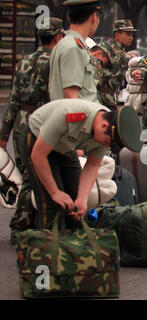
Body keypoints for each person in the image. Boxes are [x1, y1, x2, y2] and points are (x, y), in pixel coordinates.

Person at [19, 99, 142, 230]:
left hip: (66, 147)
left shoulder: (107, 133)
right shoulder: (68, 116)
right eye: (108, 143)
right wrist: (55, 192)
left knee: (77, 208)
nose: (107, 146)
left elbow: (93, 166)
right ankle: (51, 247)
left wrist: (83, 199)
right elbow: (38, 155)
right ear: (104, 126)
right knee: (53, 205)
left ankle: (74, 247)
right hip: (37, 141)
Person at [0, 18, 64, 244]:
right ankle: (23, 222)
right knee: (36, 173)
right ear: (57, 36)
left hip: (20, 121)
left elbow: (13, 99)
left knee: (24, 170)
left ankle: (26, 222)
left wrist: (3, 134)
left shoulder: (24, 61)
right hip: (43, 120)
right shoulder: (57, 61)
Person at [49, 0, 101, 102]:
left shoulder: (66, 44)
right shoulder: (73, 48)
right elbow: (71, 98)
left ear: (69, 18)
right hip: (83, 117)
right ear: (94, 17)